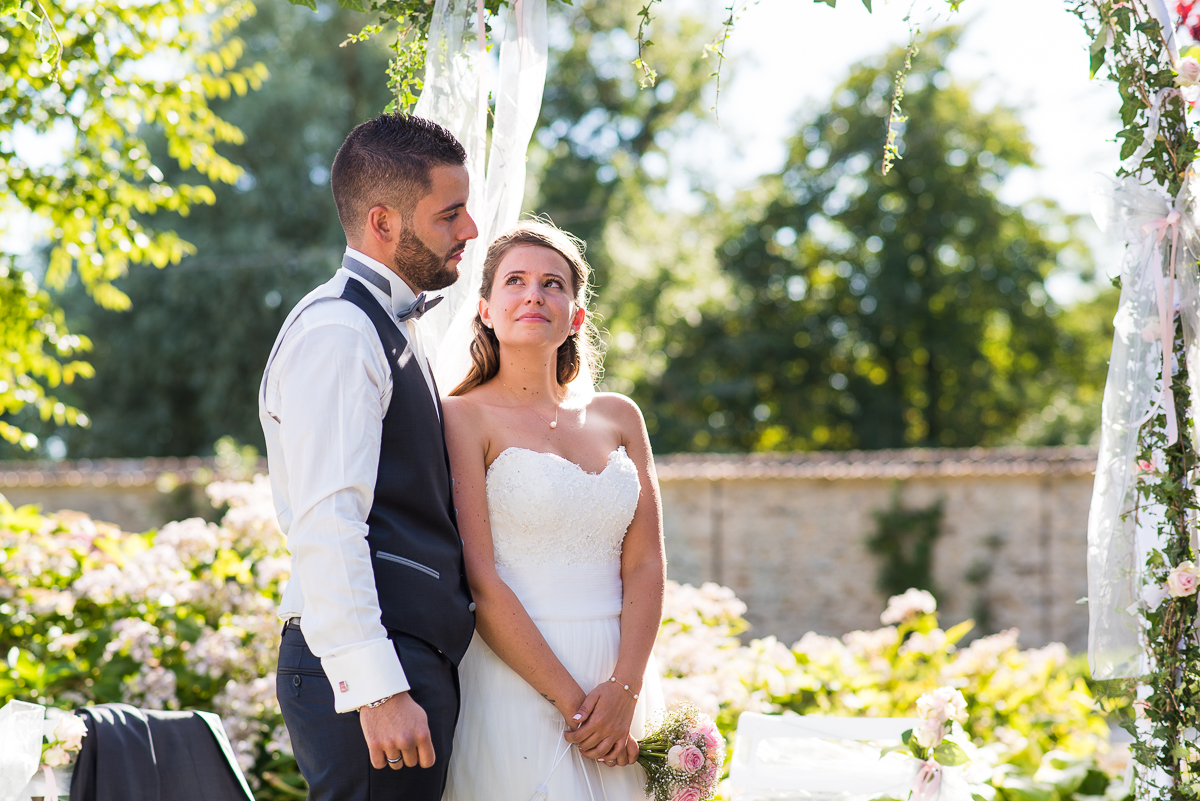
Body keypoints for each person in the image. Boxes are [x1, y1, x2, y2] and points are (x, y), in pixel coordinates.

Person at [259, 113, 479, 801]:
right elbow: (328, 522)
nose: (470, 230)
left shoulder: (385, 325)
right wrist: (376, 688)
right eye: (450, 215)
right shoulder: (338, 332)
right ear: (383, 223)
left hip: (403, 658)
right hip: (374, 671)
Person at [440, 220, 667, 800]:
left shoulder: (621, 417)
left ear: (577, 315)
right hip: (516, 674)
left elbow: (644, 564)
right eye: (515, 281)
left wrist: (625, 690)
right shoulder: (462, 417)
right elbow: (481, 579)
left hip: (620, 673)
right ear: (486, 309)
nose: (534, 294)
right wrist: (578, 706)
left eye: (553, 284)